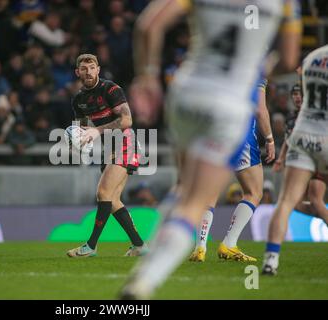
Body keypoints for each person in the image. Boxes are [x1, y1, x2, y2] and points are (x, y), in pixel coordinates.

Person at [120, 0, 301, 299]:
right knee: (196, 200)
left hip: (187, 93)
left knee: (183, 190)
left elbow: (148, 25)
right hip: (229, 105)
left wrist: (148, 75)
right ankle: (144, 282)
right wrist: (256, 66)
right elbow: (288, 59)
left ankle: (153, 252)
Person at [66, 54, 148, 258]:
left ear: (98, 70)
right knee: (112, 200)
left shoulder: (111, 89)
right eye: (84, 69)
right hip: (109, 148)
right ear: (78, 72)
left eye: (92, 67)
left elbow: (127, 120)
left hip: (125, 143)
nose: (88, 72)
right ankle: (139, 246)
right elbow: (83, 130)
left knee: (103, 193)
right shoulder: (78, 100)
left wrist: (97, 131)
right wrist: (77, 143)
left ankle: (91, 246)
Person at [189, 78, 276, 263]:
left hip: (211, 132)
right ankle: (229, 243)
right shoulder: (253, 67)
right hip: (239, 131)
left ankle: (200, 247)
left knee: (209, 192)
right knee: (254, 192)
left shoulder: (216, 62)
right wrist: (269, 139)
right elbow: (260, 110)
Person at [263, 46, 328, 276]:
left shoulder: (312, 57)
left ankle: (271, 260)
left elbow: (298, 76)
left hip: (302, 134)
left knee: (286, 201)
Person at [273, 83, 328, 223]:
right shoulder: (291, 118)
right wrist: (280, 158)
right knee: (295, 204)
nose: (297, 97)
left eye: (300, 94)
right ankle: (324, 216)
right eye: (295, 94)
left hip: (316, 161)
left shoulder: (314, 114)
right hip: (300, 163)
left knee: (315, 199)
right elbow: (288, 140)